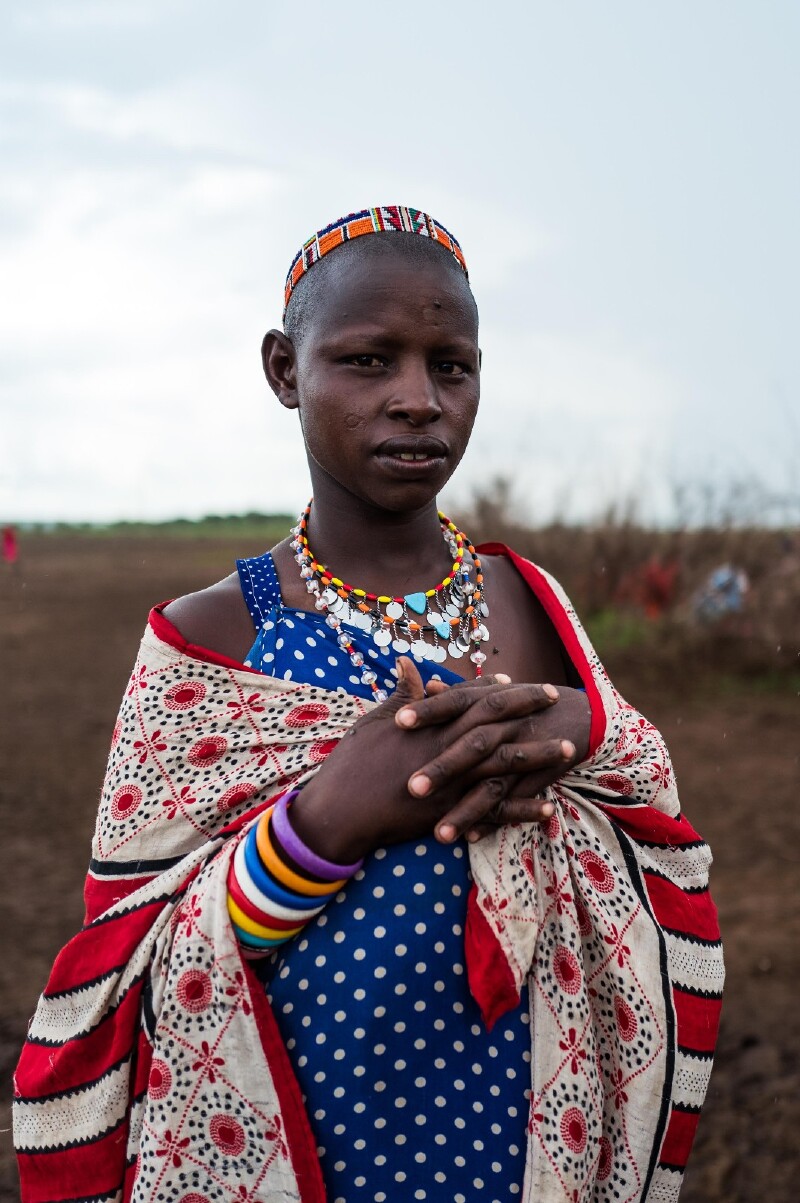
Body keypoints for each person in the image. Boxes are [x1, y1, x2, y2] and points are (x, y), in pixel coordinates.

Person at [14, 207, 723, 1203]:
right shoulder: (213, 635)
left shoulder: (527, 599)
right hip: (312, 1126)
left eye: (450, 366)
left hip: (522, 1120)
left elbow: (647, 807)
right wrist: (322, 822)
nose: (416, 400)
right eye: (366, 361)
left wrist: (583, 732)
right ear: (283, 370)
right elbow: (122, 959)